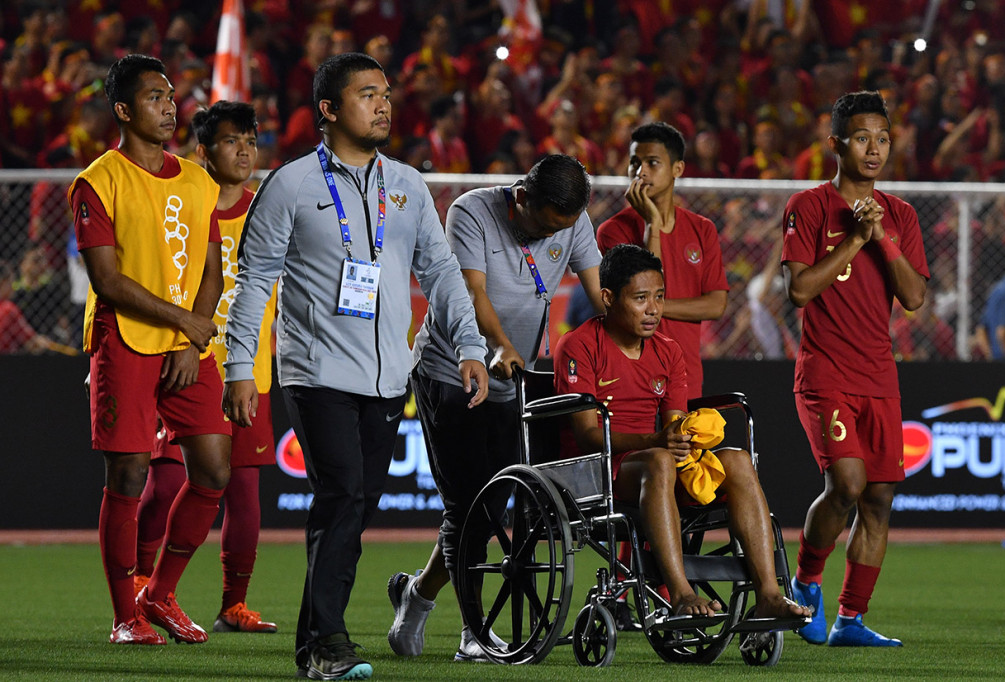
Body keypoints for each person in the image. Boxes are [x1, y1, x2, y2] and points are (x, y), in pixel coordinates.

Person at [221, 53, 489, 681]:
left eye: (386, 93)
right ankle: (326, 645)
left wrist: (471, 345)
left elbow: (442, 273)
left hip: (388, 378)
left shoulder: (407, 185)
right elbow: (254, 280)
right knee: (343, 495)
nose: (383, 104)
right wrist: (239, 367)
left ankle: (316, 638)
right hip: (315, 373)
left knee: (355, 505)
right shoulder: (290, 184)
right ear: (329, 109)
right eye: (367, 94)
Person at [387, 154, 604, 662]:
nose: (551, 238)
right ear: (522, 199)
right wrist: (502, 345)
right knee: (470, 508)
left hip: (515, 384)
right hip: (452, 372)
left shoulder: (570, 217)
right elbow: (471, 291)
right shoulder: (472, 212)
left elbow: (598, 295)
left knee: (488, 510)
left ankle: (417, 594)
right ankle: (474, 632)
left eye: (564, 228)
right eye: (544, 227)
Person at [553, 244, 811, 621]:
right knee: (659, 461)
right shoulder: (577, 346)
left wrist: (685, 438)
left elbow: (675, 425)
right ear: (608, 298)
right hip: (598, 471)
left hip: (654, 465)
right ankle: (680, 593)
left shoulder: (668, 352)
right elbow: (588, 437)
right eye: (640, 298)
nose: (654, 309)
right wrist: (657, 443)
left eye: (659, 297)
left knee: (736, 459)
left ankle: (769, 595)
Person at [68, 53, 231, 645]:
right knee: (130, 473)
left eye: (171, 96)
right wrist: (185, 322)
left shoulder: (196, 178)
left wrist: (193, 333)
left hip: (188, 344)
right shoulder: (98, 181)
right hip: (124, 340)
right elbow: (107, 281)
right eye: (155, 97)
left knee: (213, 468)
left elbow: (213, 269)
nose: (170, 107)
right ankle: (124, 616)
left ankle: (158, 593)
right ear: (122, 109)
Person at [782, 90, 928, 647]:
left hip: (879, 375)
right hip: (825, 372)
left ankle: (851, 620)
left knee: (880, 498)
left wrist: (883, 238)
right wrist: (856, 241)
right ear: (836, 144)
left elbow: (913, 296)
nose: (874, 149)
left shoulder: (903, 215)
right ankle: (807, 580)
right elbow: (799, 290)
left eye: (883, 139)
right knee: (845, 484)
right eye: (862, 138)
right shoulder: (809, 206)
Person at [133, 101, 277, 634]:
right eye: (231, 140)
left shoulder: (269, 212)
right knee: (167, 486)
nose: (244, 150)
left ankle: (233, 606)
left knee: (243, 497)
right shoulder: (182, 206)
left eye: (250, 140)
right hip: (182, 366)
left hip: (247, 374)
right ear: (202, 151)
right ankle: (142, 592)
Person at [597, 121, 729, 402]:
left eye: (652, 162)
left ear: (677, 169)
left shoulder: (702, 229)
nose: (640, 171)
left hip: (686, 377)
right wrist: (653, 227)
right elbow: (638, 299)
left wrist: (657, 307)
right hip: (631, 376)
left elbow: (716, 304)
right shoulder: (613, 231)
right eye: (634, 163)